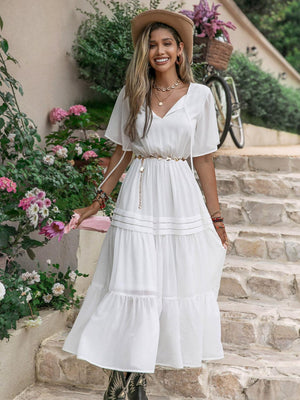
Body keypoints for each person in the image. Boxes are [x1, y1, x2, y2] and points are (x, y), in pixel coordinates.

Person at [62, 9, 228, 400]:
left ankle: (131, 385)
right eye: (152, 44)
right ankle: (124, 385)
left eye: (167, 43)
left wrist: (216, 218)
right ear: (144, 52)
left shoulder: (201, 97)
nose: (159, 51)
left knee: (166, 288)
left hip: (179, 199)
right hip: (138, 197)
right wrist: (96, 201)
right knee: (132, 286)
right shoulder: (132, 92)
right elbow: (121, 154)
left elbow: (203, 160)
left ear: (181, 50)